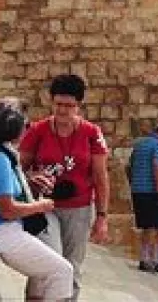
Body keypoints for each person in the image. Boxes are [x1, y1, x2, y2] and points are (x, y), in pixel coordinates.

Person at [0, 97, 73, 302]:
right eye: (27, 125)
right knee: (62, 271)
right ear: (15, 127)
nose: (28, 129)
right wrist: (40, 206)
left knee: (44, 274)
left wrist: (31, 183)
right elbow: (6, 210)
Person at [19, 74, 110, 296]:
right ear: (51, 102)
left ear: (78, 106)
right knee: (48, 261)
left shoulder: (91, 133)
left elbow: (100, 177)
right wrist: (32, 178)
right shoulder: (37, 132)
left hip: (79, 208)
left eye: (69, 106)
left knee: (72, 267)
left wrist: (102, 217)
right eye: (59, 104)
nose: (63, 111)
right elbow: (18, 169)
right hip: (45, 205)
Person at [128, 121, 158, 276]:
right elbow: (156, 165)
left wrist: (134, 183)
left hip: (137, 191)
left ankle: (145, 259)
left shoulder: (139, 144)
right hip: (151, 191)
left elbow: (129, 167)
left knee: (147, 226)